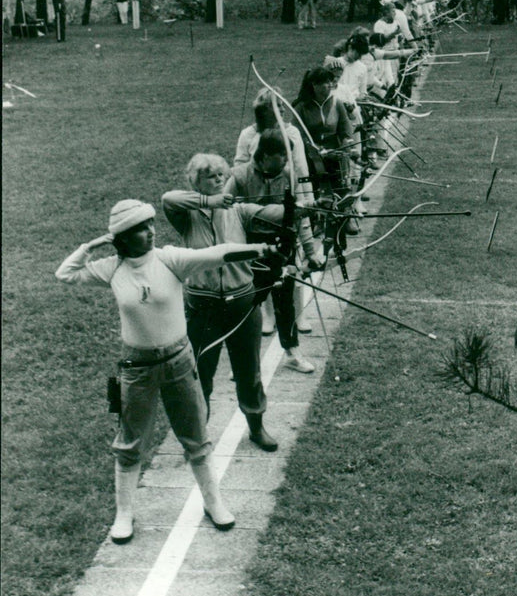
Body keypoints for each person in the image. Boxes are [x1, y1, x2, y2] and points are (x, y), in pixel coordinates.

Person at [55, 199, 274, 543]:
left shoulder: (169, 259)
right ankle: (124, 514)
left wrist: (261, 249)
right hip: (137, 368)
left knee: (196, 439)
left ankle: (213, 503)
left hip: (178, 362)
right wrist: (90, 246)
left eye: (151, 224)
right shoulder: (111, 268)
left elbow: (218, 253)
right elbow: (65, 274)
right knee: (129, 445)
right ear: (123, 239)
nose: (151, 232)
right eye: (141, 229)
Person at [163, 152, 299, 449]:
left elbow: (275, 214)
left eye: (222, 175)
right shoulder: (185, 215)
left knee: (249, 371)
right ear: (196, 182)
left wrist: (304, 207)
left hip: (242, 303)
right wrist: (209, 202)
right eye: (211, 176)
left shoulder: (237, 210)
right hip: (202, 307)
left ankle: (256, 425)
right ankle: (199, 434)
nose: (220, 180)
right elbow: (168, 198)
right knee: (201, 374)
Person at [224, 133, 320, 372]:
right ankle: (243, 359)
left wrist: (310, 251)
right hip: (251, 247)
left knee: (285, 300)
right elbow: (223, 213)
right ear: (265, 156)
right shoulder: (239, 176)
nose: (285, 165)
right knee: (247, 301)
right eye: (281, 159)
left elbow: (299, 217)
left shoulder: (288, 175)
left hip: (284, 245)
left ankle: (292, 352)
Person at [233, 88, 318, 335]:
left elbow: (301, 170)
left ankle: (297, 315)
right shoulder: (248, 135)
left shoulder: (291, 133)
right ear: (265, 111)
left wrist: (308, 203)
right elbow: (239, 167)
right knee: (260, 274)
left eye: (282, 106)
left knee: (294, 261)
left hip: (289, 199)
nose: (283, 110)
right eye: (277, 107)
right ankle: (268, 317)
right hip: (257, 209)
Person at [293, 65, 357, 231]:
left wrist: (345, 146)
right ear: (314, 85)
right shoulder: (301, 106)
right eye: (324, 83)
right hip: (311, 154)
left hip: (335, 151)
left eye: (330, 83)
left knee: (342, 183)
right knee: (315, 187)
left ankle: (345, 217)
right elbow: (298, 135)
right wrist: (316, 150)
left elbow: (346, 129)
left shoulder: (337, 103)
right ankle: (318, 220)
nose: (329, 86)